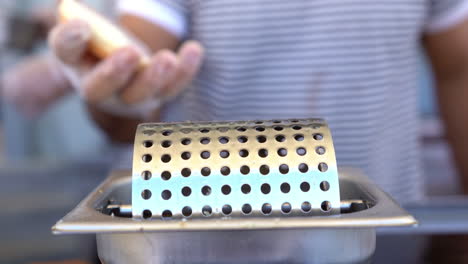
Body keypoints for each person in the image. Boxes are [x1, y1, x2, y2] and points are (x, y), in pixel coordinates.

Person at [46, 1, 468, 261]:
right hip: (205, 240)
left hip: (380, 237)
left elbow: (459, 71)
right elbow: (133, 90)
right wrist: (119, 92)